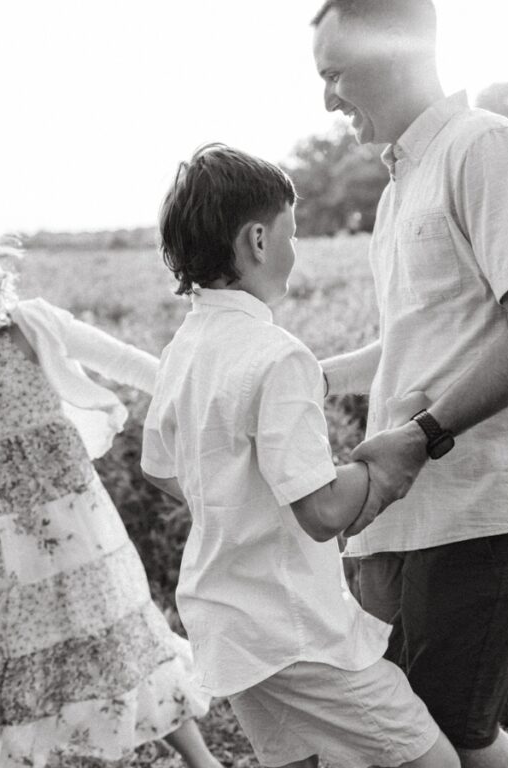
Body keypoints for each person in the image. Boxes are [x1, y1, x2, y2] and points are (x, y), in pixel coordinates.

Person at [310, 2, 508, 767]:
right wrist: (302, 376)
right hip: (411, 510)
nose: (326, 99)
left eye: (334, 74)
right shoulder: (401, 187)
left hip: (485, 507)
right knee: (409, 736)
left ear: (395, 50)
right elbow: (418, 343)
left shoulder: (489, 148)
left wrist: (420, 437)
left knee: (449, 738)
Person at [141, 143, 458, 768]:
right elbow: (321, 513)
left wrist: (232, 503)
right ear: (259, 240)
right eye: (294, 231)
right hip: (294, 630)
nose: (297, 248)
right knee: (433, 762)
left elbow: (158, 467)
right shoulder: (276, 354)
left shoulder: (188, 344)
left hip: (226, 619)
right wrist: (394, 455)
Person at [0, 241, 220, 768]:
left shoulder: (29, 324)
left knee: (111, 627)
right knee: (9, 647)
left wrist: (201, 396)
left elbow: (122, 361)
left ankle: (202, 762)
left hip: (69, 515)